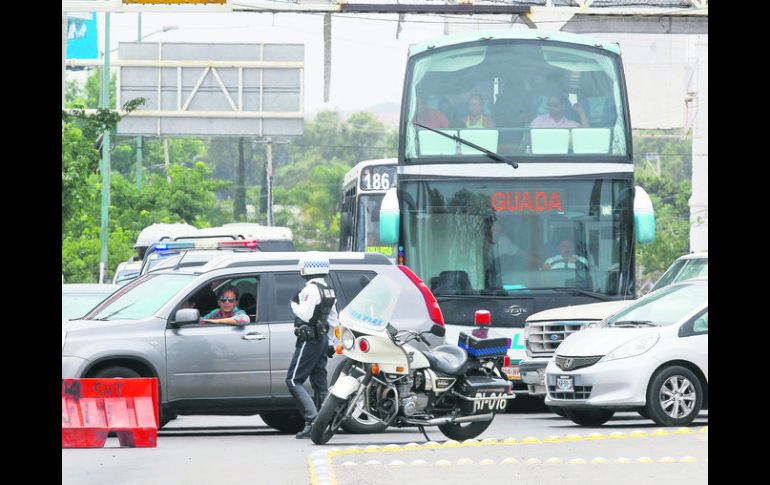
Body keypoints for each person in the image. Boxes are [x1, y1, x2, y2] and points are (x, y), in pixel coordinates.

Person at [286, 252, 339, 439]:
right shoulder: (328, 290)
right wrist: (331, 342)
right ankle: (326, 422)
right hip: (322, 339)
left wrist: (293, 303)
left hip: (310, 339)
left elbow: (306, 315)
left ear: (306, 269)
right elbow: (334, 320)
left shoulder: (310, 290)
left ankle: (313, 420)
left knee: (293, 380)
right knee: (319, 382)